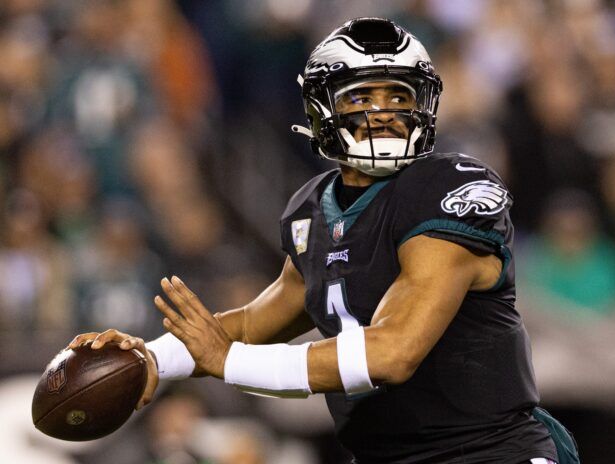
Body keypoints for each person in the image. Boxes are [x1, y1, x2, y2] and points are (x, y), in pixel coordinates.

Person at [69, 18, 577, 464]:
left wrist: (231, 364)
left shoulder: (446, 188)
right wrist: (152, 359)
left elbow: (393, 352)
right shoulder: (312, 209)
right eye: (361, 96)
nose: (382, 112)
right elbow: (255, 321)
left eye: (398, 96)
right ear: (320, 109)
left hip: (488, 451)